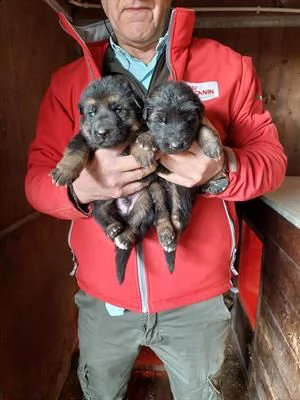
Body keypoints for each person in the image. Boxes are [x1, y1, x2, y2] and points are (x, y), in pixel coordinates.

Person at [25, 1, 287, 399]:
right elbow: (36, 181)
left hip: (198, 302)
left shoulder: (227, 66)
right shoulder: (68, 82)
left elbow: (271, 163)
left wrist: (221, 169)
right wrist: (81, 190)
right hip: (104, 300)